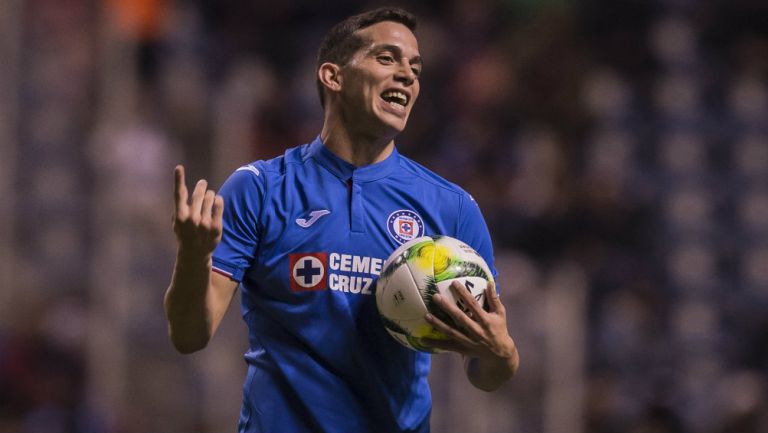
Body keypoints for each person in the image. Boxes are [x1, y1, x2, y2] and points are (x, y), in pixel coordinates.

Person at [164, 7, 519, 433]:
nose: (407, 74)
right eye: (386, 58)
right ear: (333, 76)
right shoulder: (259, 189)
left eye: (415, 67)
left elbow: (486, 373)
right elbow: (189, 336)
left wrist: (501, 353)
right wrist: (192, 257)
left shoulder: (452, 209)